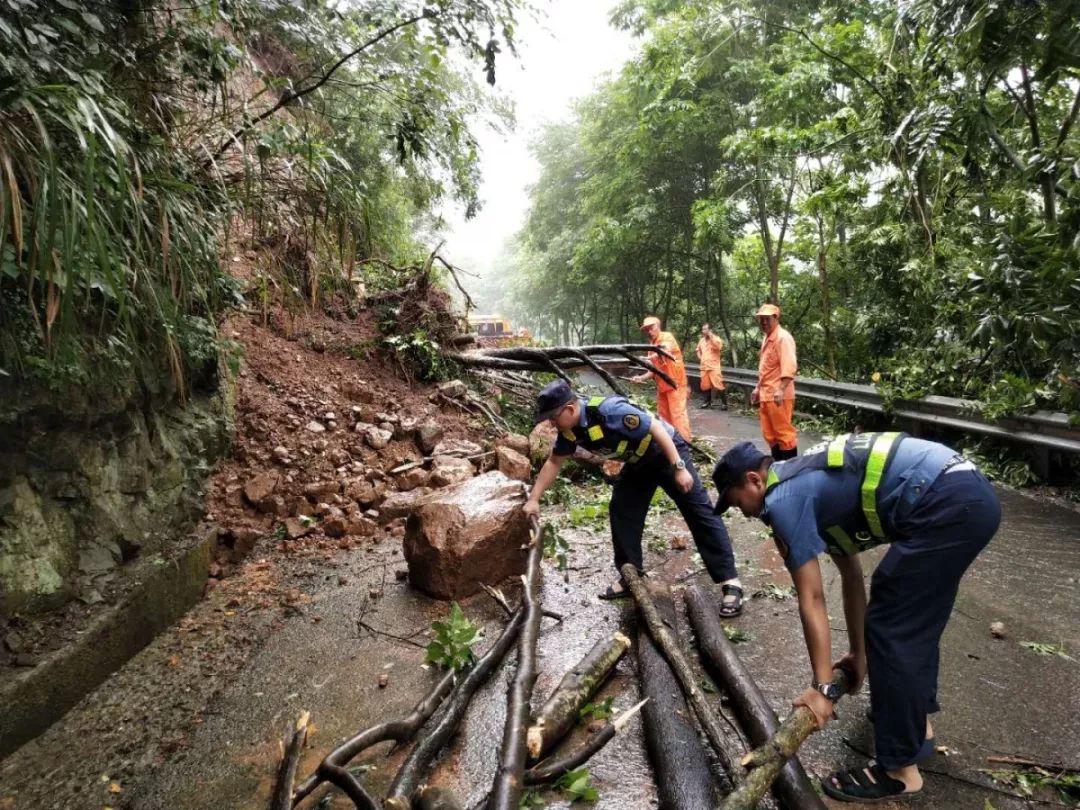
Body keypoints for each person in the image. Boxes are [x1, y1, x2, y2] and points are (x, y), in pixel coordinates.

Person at [711, 434, 1001, 802]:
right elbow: (850, 576)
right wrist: (859, 655)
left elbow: (812, 598)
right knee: (910, 618)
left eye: (738, 503)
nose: (744, 513)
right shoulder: (807, 484)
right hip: (967, 494)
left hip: (947, 501)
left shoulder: (782, 501)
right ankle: (915, 726)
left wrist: (822, 690)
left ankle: (899, 770)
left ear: (754, 480)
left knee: (892, 622)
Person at [524, 380, 744, 616]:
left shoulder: (610, 411)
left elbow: (657, 429)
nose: (551, 423)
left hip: (665, 451)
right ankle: (631, 575)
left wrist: (679, 468)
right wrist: (534, 498)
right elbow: (554, 462)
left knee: (697, 509)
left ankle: (730, 582)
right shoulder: (569, 431)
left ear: (569, 409)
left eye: (552, 417)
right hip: (638, 462)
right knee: (622, 510)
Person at [629, 315, 692, 440]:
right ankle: (670, 442)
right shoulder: (651, 346)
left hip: (675, 384)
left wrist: (647, 358)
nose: (649, 331)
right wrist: (640, 378)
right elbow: (652, 371)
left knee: (677, 415)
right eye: (646, 329)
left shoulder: (666, 337)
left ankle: (685, 443)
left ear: (657, 326)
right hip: (662, 386)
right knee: (663, 416)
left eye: (650, 328)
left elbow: (664, 349)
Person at [752, 303, 798, 459]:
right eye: (761, 319)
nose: (764, 322)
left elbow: (790, 366)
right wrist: (757, 388)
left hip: (779, 395)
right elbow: (766, 368)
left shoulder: (783, 338)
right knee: (770, 435)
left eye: (767, 319)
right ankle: (778, 467)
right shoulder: (767, 338)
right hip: (766, 394)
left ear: (776, 318)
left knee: (784, 435)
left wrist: (781, 389)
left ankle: (789, 471)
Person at [695, 323, 728, 410]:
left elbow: (718, 347)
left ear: (710, 330)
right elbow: (698, 349)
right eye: (703, 329)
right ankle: (707, 402)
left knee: (718, 384)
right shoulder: (701, 340)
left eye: (705, 329)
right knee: (705, 385)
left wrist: (711, 337)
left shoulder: (716, 339)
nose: (704, 331)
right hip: (704, 366)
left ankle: (724, 404)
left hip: (714, 366)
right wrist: (700, 357)